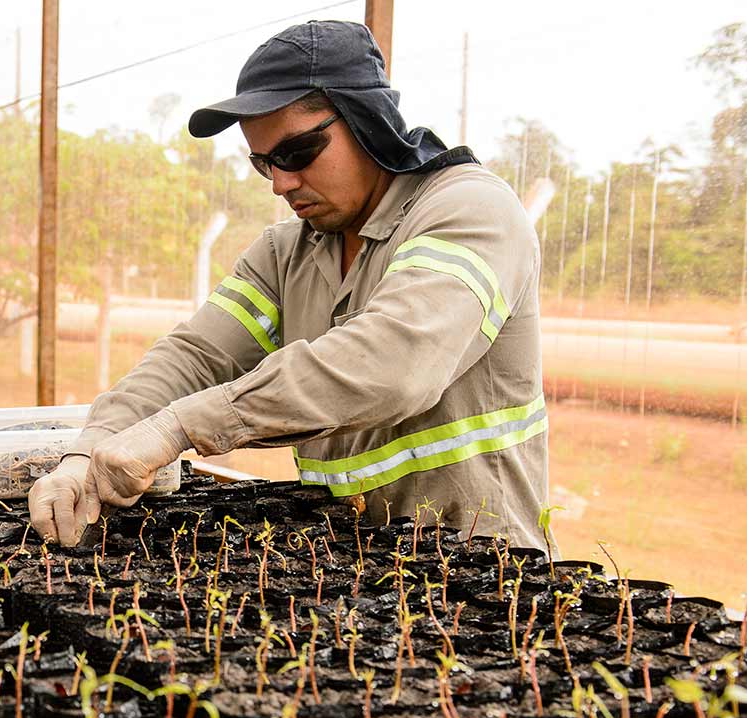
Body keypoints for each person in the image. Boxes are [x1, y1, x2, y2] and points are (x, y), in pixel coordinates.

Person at [28, 20, 548, 550]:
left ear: (367, 120)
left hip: (481, 575)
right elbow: (195, 356)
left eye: (297, 153)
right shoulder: (286, 254)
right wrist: (89, 449)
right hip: (353, 566)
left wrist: (180, 427)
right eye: (263, 163)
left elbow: (395, 365)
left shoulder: (469, 211)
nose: (281, 183)